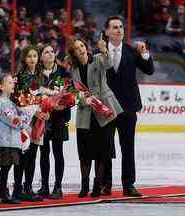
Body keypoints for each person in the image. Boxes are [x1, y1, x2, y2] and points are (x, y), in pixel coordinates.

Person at [103, 16, 154, 197]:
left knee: (128, 148)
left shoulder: (132, 51)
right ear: (107, 31)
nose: (119, 30)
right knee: (106, 148)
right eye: (115, 27)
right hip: (106, 108)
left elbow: (149, 70)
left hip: (128, 107)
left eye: (121, 27)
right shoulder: (99, 51)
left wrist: (145, 53)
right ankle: (105, 184)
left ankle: (129, 185)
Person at [66, 36, 123, 198]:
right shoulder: (74, 70)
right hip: (85, 113)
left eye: (82, 45)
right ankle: (84, 186)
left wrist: (104, 48)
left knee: (102, 152)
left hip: (104, 111)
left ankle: (98, 185)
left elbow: (109, 64)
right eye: (77, 48)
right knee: (85, 152)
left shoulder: (97, 59)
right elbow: (74, 92)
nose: (81, 49)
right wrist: (82, 99)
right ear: (74, 53)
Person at [37, 44, 71, 199]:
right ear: (41, 56)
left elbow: (72, 94)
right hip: (42, 118)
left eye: (52, 51)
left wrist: (61, 106)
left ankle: (58, 187)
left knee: (58, 151)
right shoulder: (36, 74)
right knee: (43, 153)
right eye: (46, 52)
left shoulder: (63, 71)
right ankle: (44, 186)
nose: (50, 54)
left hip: (60, 117)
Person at [0, 73, 30, 204]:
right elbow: (13, 120)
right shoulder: (1, 102)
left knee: (7, 167)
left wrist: (24, 118)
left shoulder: (10, 102)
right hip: (4, 141)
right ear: (1, 87)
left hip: (11, 141)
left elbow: (20, 117)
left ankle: (5, 192)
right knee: (5, 167)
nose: (13, 84)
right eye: (9, 82)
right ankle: (3, 193)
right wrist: (23, 121)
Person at [14, 45, 44, 202]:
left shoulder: (40, 75)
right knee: (22, 156)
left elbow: (43, 97)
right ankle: (18, 189)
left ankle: (28, 187)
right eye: (30, 56)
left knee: (32, 155)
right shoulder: (19, 76)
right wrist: (35, 107)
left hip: (37, 122)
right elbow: (18, 100)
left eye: (35, 56)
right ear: (24, 59)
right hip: (23, 123)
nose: (33, 59)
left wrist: (44, 109)